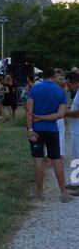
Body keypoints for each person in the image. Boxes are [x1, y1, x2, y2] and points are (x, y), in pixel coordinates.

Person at [26, 67, 73, 203]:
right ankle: (63, 193)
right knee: (56, 160)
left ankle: (39, 192)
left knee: (38, 159)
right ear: (53, 76)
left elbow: (29, 111)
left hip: (36, 130)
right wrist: (45, 118)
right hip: (52, 130)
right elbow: (61, 114)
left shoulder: (34, 89)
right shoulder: (60, 92)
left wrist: (30, 129)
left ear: (43, 76)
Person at [65, 72, 79, 193]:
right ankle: (75, 182)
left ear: (75, 82)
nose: (68, 87)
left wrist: (65, 113)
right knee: (75, 157)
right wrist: (69, 110)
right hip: (75, 131)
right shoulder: (77, 92)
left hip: (78, 131)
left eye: (69, 84)